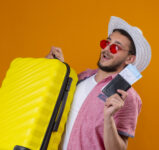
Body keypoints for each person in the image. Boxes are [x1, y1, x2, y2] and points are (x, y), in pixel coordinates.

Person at [46, 16, 151, 150]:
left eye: (115, 48)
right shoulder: (83, 77)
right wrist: (56, 67)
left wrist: (108, 119)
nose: (106, 49)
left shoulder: (127, 97)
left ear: (129, 58)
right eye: (106, 43)